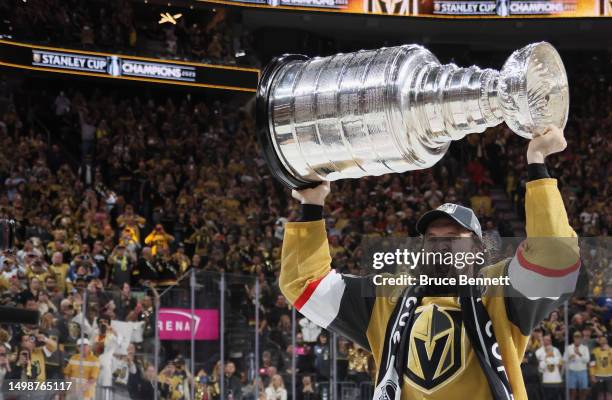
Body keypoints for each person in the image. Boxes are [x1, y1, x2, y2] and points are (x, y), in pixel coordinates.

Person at [279, 126, 580, 399]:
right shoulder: (386, 300)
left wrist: (537, 162)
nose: (441, 245)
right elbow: (306, 285)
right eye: (432, 238)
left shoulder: (499, 293)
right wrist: (312, 205)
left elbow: (555, 258)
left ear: (477, 250)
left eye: (453, 236)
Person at [536, 334, 563, 400]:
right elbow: (540, 367)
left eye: (549, 340)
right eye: (546, 340)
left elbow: (560, 362)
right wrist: (547, 357)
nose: (547, 341)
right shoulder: (538, 352)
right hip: (545, 381)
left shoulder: (556, 350)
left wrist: (550, 358)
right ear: (543, 340)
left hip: (556, 380)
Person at [564, 331, 590, 400]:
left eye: (578, 337)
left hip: (582, 372)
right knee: (572, 392)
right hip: (572, 372)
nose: (577, 339)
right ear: (573, 338)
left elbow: (587, 360)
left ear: (581, 338)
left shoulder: (585, 348)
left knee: (583, 391)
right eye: (576, 337)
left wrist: (579, 353)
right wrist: (570, 358)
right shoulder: (568, 347)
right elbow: (564, 360)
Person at [590, 335, 612, 400]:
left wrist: (609, 351)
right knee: (599, 394)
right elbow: (592, 364)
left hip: (610, 375)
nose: (603, 341)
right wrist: (592, 375)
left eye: (605, 340)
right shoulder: (595, 351)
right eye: (601, 340)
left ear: (607, 341)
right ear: (599, 341)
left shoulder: (611, 350)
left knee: (610, 394)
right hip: (598, 375)